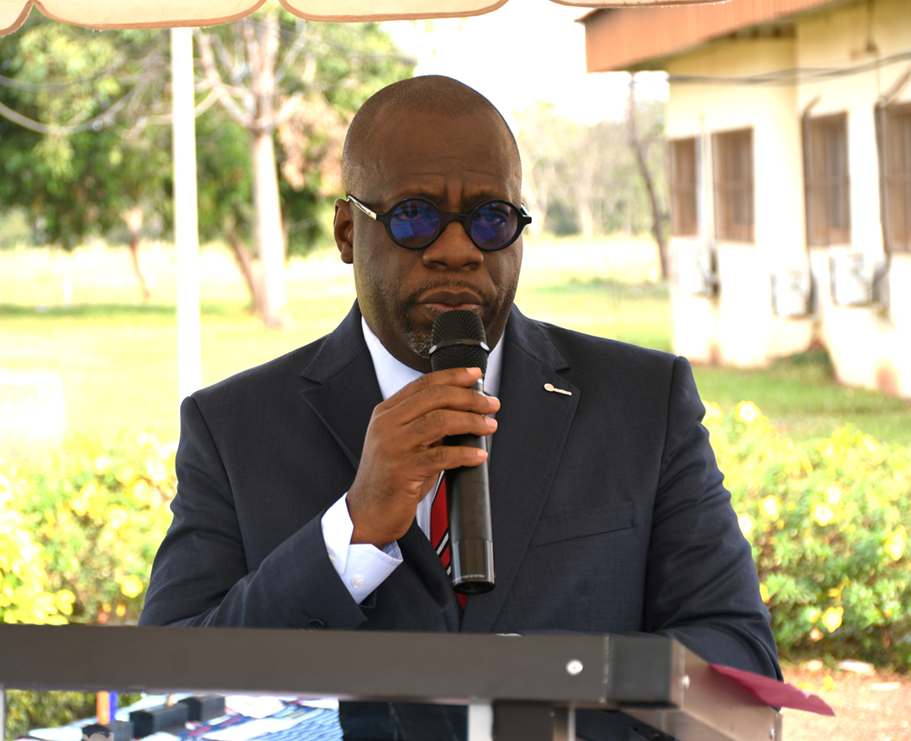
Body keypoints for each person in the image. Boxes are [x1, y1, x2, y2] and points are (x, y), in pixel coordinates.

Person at [140, 75, 780, 740]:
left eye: (491, 218)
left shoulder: (644, 403)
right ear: (347, 233)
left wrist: (534, 687)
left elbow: (740, 675)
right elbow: (170, 684)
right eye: (414, 216)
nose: (457, 250)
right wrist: (352, 530)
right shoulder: (232, 428)